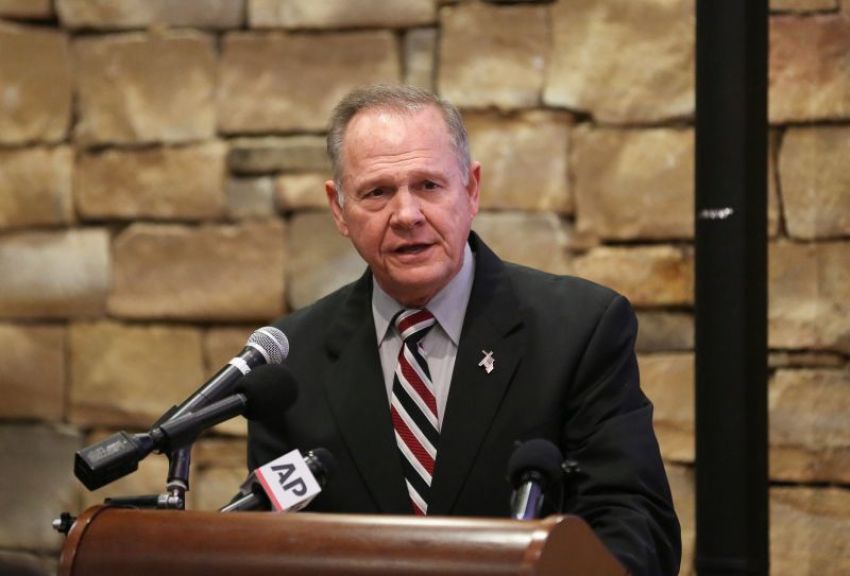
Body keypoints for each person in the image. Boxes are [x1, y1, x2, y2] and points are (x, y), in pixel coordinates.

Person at [247, 84, 681, 575]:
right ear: (338, 208)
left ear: (471, 190)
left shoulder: (579, 331)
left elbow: (633, 526)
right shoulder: (289, 365)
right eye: (377, 192)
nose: (407, 215)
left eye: (429, 185)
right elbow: (271, 542)